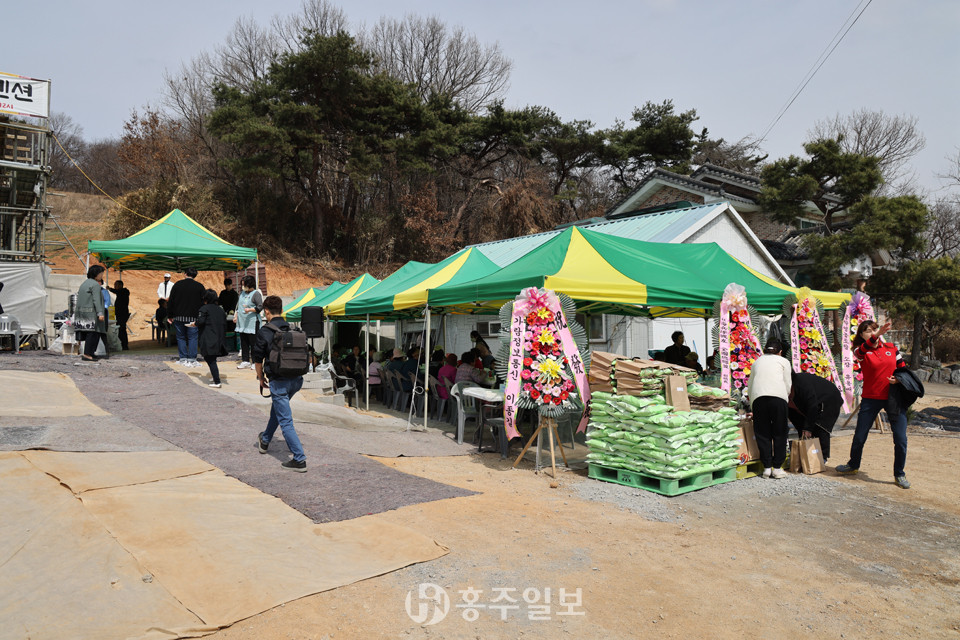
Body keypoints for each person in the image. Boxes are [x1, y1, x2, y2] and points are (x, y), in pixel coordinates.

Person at [836, 320, 911, 489]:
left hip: (894, 399)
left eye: (874, 330)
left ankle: (899, 474)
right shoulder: (860, 351)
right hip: (871, 399)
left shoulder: (892, 348)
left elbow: (904, 370)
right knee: (860, 436)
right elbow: (862, 350)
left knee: (901, 439)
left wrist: (898, 379)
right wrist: (877, 335)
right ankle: (853, 465)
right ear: (861, 335)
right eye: (868, 331)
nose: (872, 333)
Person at [254, 295, 307, 472]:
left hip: (279, 382)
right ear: (282, 310)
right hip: (297, 380)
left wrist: (261, 378)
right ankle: (265, 440)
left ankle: (299, 459)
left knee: (285, 421)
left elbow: (258, 360)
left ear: (266, 312)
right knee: (277, 410)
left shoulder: (264, 332)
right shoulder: (291, 328)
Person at [746, 339, 793, 479]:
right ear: (780, 352)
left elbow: (750, 384)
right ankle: (777, 468)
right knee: (780, 432)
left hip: (758, 398)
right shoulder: (783, 361)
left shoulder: (757, 362)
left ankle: (766, 468)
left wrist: (753, 402)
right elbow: (787, 383)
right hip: (778, 398)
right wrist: (785, 397)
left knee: (762, 432)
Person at [789, 371, 843, 463]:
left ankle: (822, 457)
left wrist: (808, 428)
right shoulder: (782, 387)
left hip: (828, 398)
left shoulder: (801, 383)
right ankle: (805, 455)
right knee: (802, 427)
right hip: (802, 405)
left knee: (821, 426)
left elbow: (812, 406)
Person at [167, 268, 206, 367]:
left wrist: (170, 315)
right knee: (193, 338)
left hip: (179, 317)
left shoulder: (177, 285)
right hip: (194, 318)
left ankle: (183, 358)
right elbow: (204, 303)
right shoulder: (199, 286)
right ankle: (192, 359)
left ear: (185, 274)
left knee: (181, 337)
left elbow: (171, 301)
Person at [196, 289, 229, 388]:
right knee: (212, 359)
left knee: (210, 359)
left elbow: (200, 322)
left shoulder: (204, 309)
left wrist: (194, 323)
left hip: (208, 337)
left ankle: (217, 382)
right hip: (219, 338)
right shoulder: (220, 309)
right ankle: (215, 377)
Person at [75, 265, 107, 362]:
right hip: (91, 313)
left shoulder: (85, 283)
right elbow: (96, 300)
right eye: (101, 273)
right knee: (92, 333)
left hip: (82, 313)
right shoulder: (95, 285)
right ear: (96, 274)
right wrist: (100, 313)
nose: (102, 275)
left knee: (91, 333)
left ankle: (91, 353)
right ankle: (87, 354)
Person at [235, 275, 263, 369]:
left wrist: (250, 309)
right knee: (244, 342)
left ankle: (255, 362)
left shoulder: (256, 294)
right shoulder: (241, 293)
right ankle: (245, 360)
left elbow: (260, 307)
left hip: (252, 322)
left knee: (253, 343)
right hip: (242, 322)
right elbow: (238, 306)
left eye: (245, 285)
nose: (243, 287)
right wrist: (236, 316)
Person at [108, 280, 131, 350]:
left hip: (122, 313)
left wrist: (109, 289)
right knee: (120, 329)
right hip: (119, 313)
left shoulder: (123, 292)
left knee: (122, 329)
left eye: (116, 285)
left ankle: (124, 345)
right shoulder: (121, 292)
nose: (115, 287)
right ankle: (123, 344)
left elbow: (116, 291)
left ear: (120, 285)